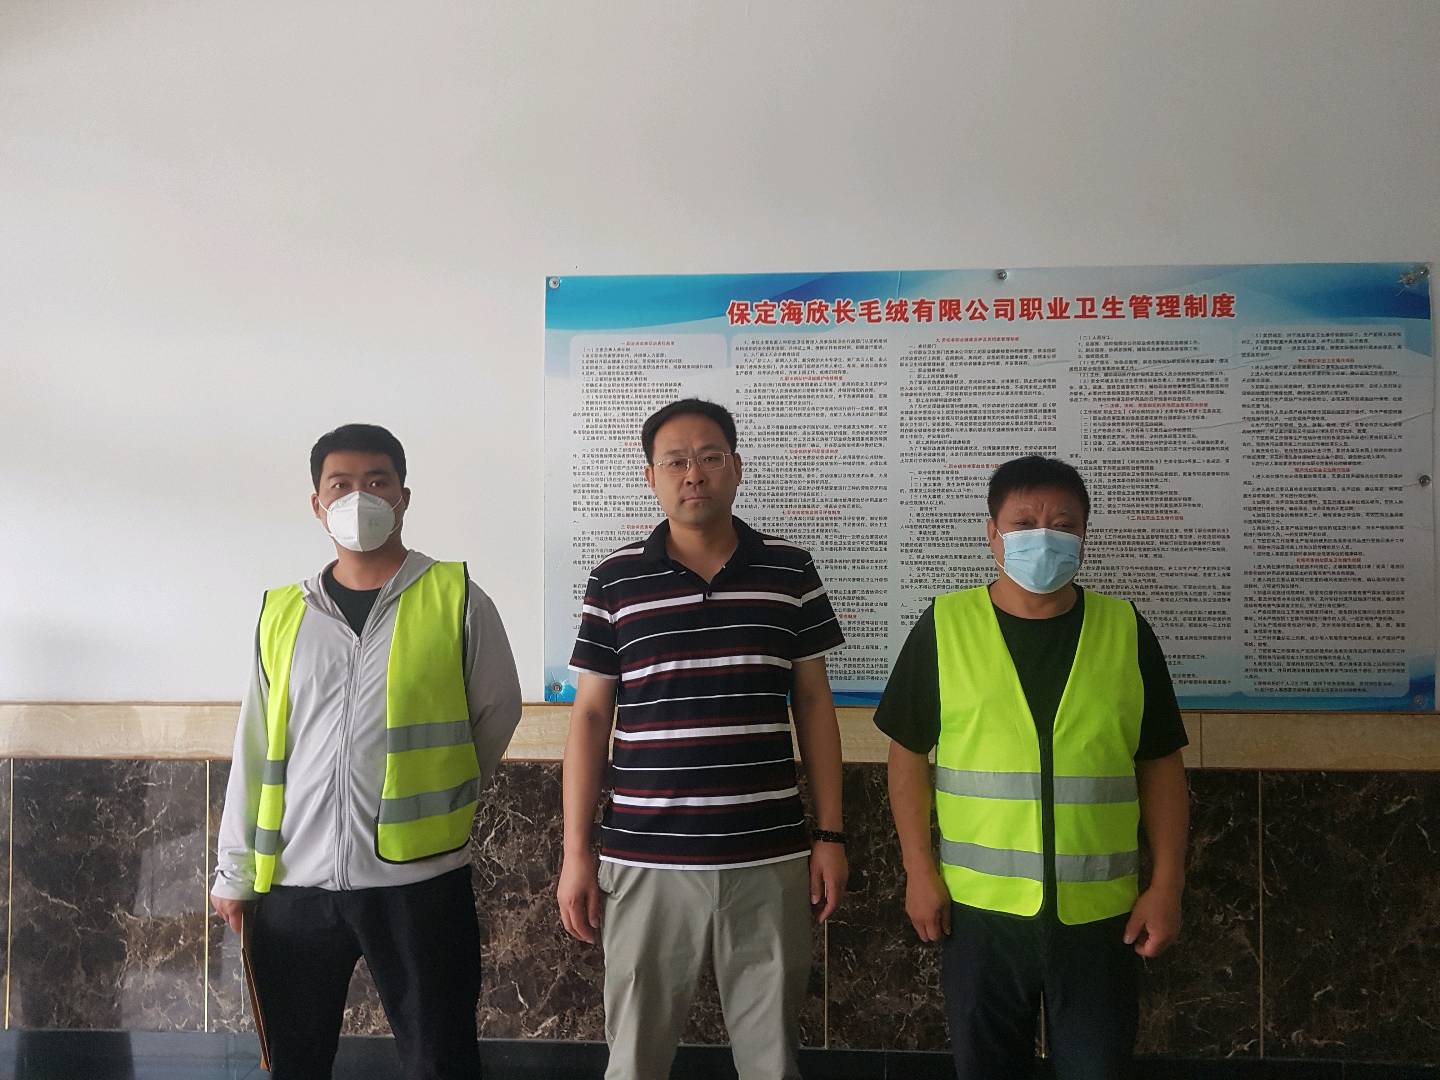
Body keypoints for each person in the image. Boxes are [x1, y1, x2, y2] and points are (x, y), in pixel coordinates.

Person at [210, 422, 522, 1080]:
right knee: (295, 1062)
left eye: (377, 481)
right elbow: (255, 743)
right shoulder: (283, 612)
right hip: (295, 884)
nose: (359, 498)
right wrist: (233, 873)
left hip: (419, 883)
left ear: (403, 496)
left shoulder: (456, 598)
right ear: (317, 503)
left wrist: (443, 789)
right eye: (341, 485)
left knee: (440, 1059)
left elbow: (496, 711)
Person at [557, 398, 849, 1080]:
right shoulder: (615, 580)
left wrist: (830, 836)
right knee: (634, 1058)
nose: (694, 474)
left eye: (710, 457)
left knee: (772, 1059)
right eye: (676, 461)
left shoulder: (790, 571)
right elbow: (591, 717)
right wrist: (576, 853)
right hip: (644, 862)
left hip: (768, 857)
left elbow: (813, 704)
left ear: (736, 467)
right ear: (651, 476)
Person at [878, 455, 1189, 1080]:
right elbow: (906, 754)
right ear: (992, 534)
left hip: (1101, 917)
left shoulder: (1125, 630)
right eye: (1024, 522)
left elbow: (1160, 766)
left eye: (1063, 524)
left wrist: (1167, 886)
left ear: (1084, 535)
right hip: (978, 916)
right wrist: (919, 871)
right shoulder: (945, 627)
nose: (1044, 538)